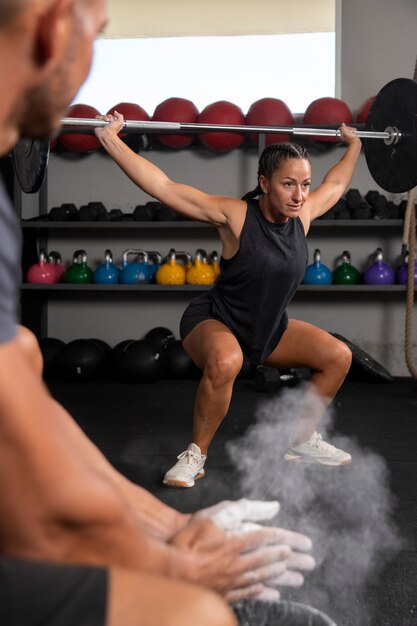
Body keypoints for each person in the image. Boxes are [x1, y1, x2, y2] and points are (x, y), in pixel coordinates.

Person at [0, 1, 315, 625]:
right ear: (53, 27)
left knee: (27, 352)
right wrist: (167, 563)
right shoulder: (235, 213)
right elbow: (17, 440)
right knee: (197, 614)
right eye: (100, 33)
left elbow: (25, 413)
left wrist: (168, 527)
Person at [95, 113, 362, 488]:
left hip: (267, 329)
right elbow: (164, 186)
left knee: (338, 356)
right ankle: (195, 456)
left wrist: (355, 145)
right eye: (288, 184)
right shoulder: (235, 216)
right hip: (215, 319)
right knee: (227, 360)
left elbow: (336, 181)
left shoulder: (303, 216)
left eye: (304, 184)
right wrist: (110, 140)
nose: (300, 195)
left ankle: (302, 440)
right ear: (264, 183)